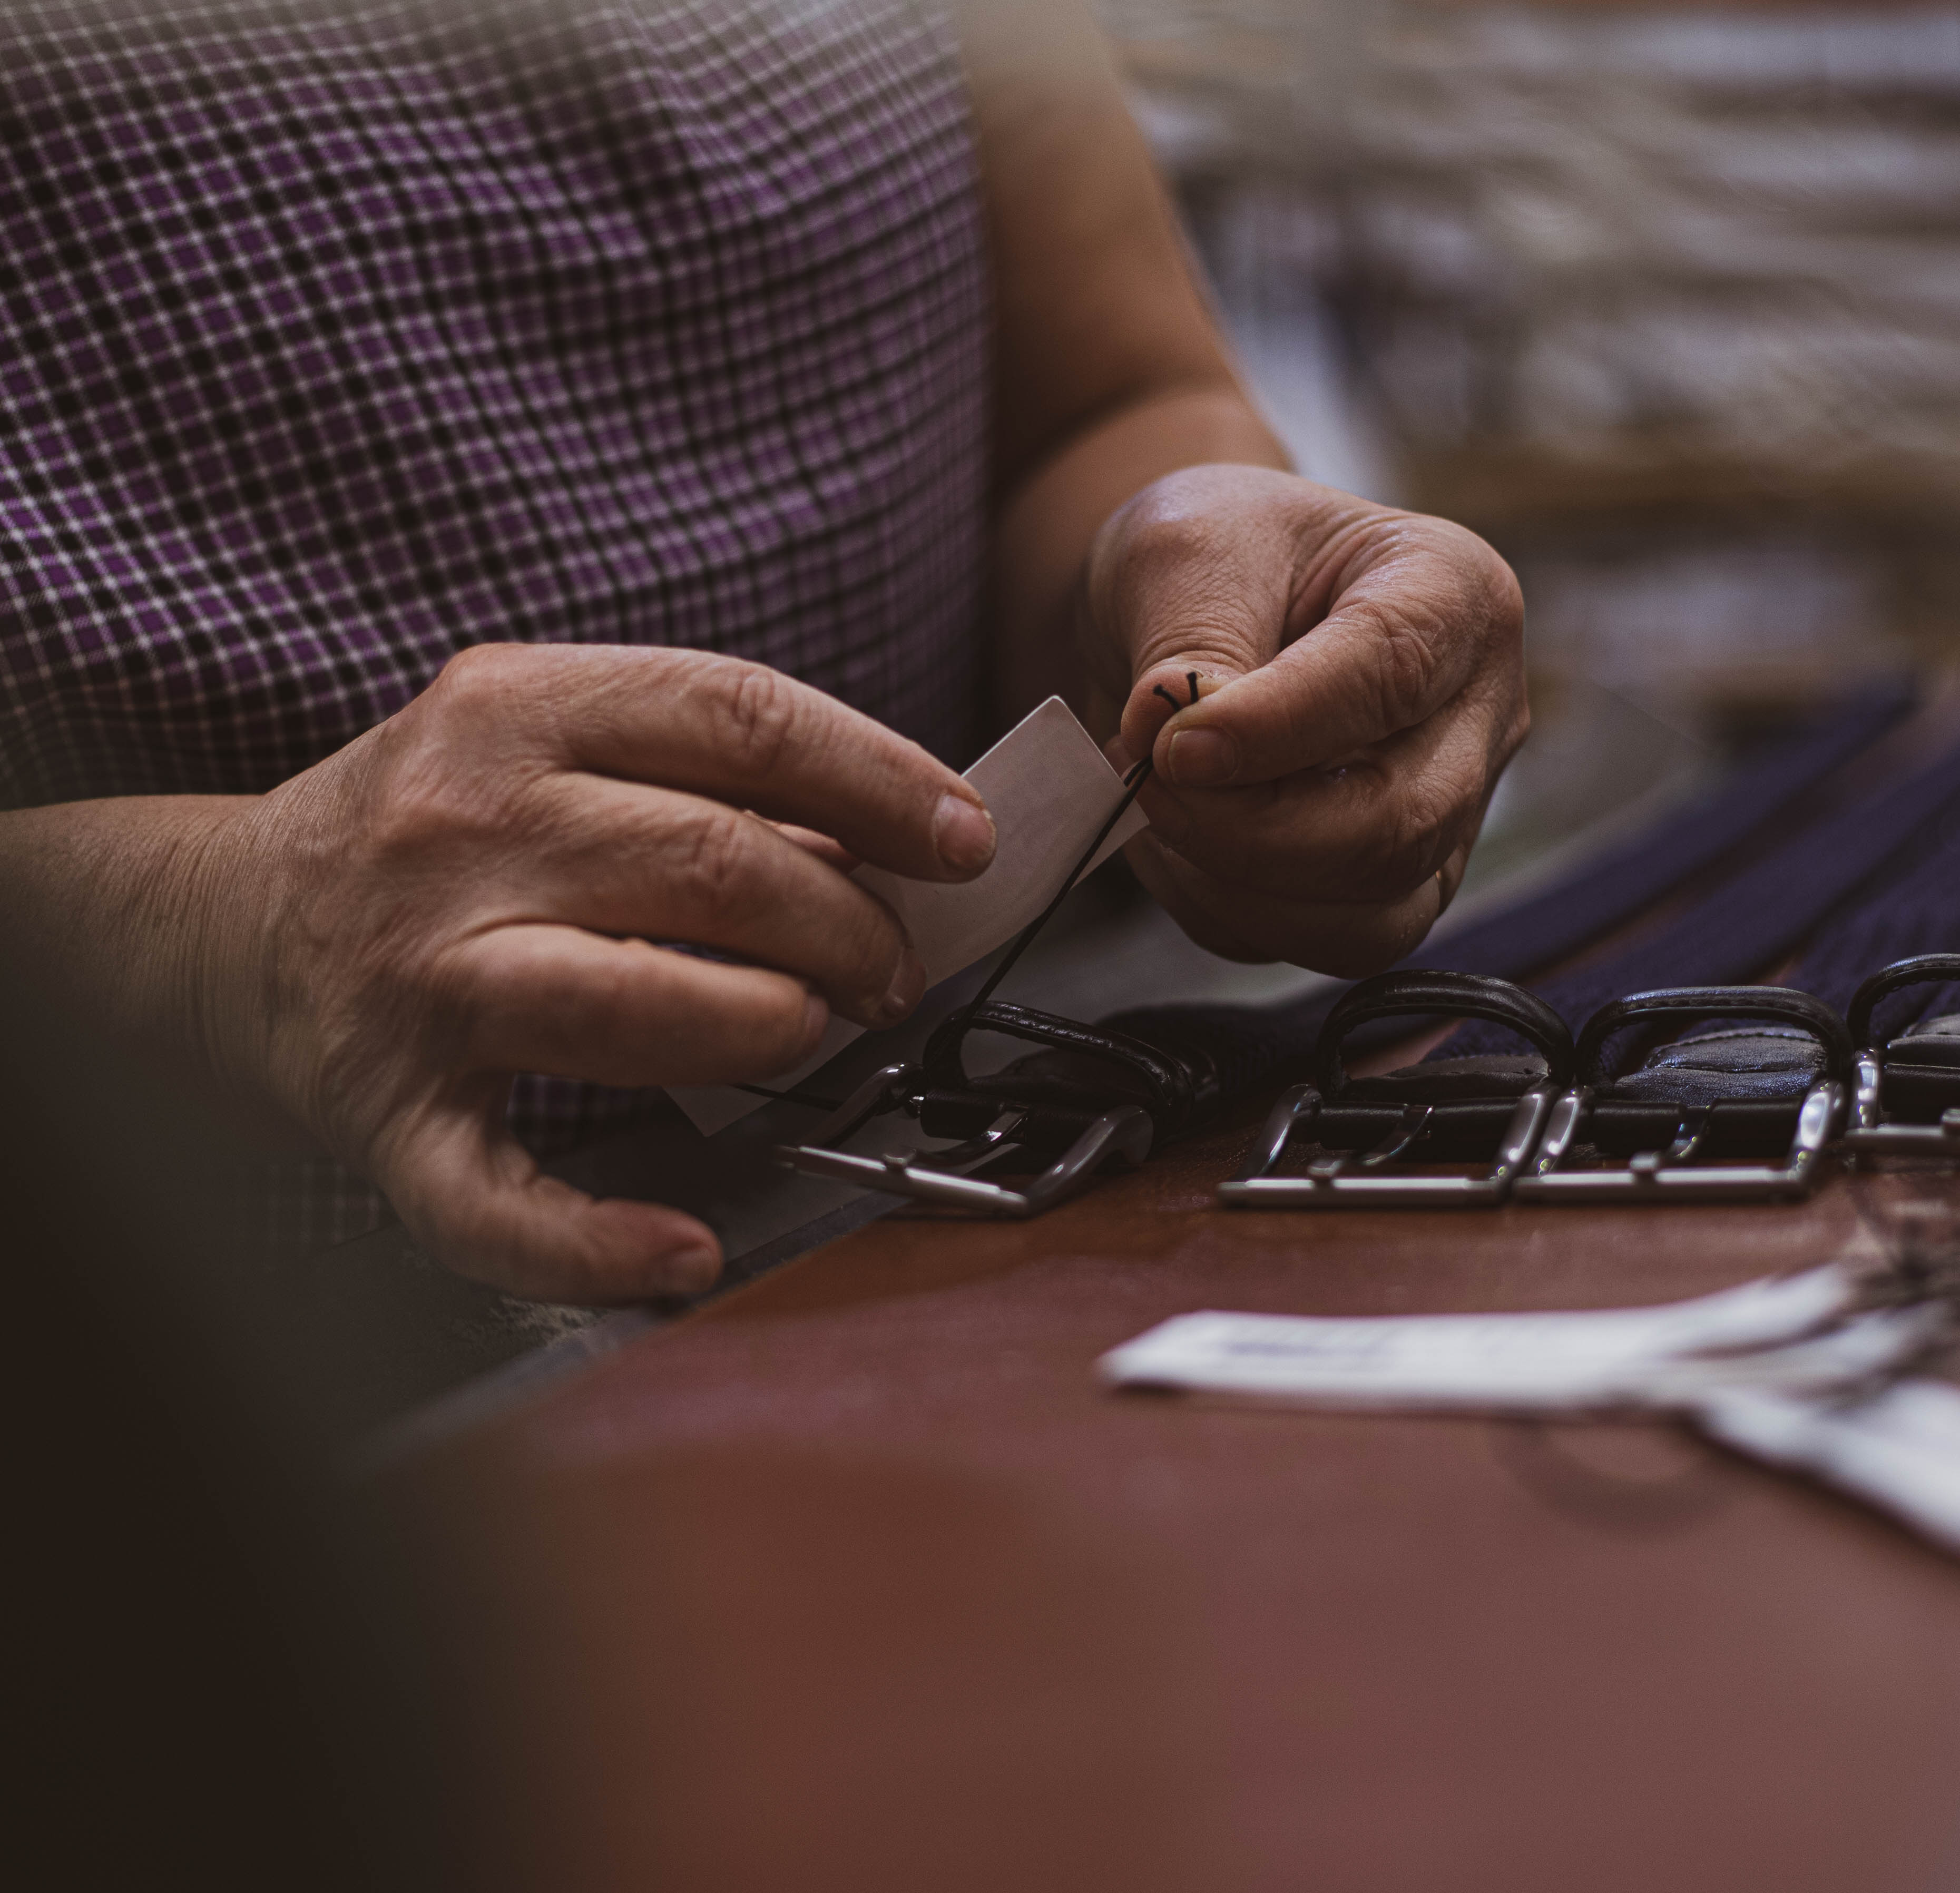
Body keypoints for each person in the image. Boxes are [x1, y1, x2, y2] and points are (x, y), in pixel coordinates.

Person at [0, 0, 1527, 1304]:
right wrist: (217, 930)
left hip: (937, 1224)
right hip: (193, 1388)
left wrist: (1197, 580)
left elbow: (1103, 393)